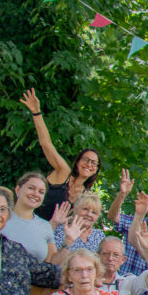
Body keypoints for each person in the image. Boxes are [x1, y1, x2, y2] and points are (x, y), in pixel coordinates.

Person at [17, 88, 100, 221]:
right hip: (27, 220)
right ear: (78, 162)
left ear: (96, 169)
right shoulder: (64, 172)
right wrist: (36, 112)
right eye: (86, 159)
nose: (89, 164)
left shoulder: (85, 195)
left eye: (93, 163)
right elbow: (46, 143)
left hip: (50, 231)